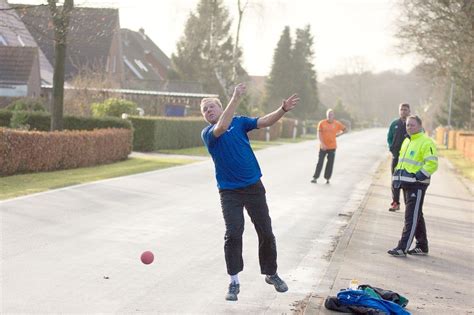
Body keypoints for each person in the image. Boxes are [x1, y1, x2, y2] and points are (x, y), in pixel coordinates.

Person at [200, 83, 300, 301]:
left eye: (211, 107)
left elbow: (264, 121)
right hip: (229, 192)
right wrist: (235, 97)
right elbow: (221, 127)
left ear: (219, 107)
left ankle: (271, 273)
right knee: (234, 233)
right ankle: (234, 281)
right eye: (205, 110)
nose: (208, 111)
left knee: (265, 231)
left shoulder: (240, 122)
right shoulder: (209, 133)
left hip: (254, 186)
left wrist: (282, 110)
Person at [387, 115, 438, 257]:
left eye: (412, 125)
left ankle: (402, 248)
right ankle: (422, 246)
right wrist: (397, 179)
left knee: (411, 216)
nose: (409, 127)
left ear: (420, 126)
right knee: (416, 214)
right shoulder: (406, 141)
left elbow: (432, 163)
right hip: (406, 184)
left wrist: (417, 177)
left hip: (417, 185)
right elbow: (401, 163)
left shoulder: (426, 142)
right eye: (408, 125)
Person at [311, 109, 346, 184]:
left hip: (332, 147)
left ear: (333, 116)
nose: (330, 116)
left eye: (331, 114)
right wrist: (322, 144)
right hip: (323, 147)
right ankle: (315, 177)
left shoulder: (337, 123)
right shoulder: (322, 123)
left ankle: (327, 178)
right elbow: (319, 134)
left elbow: (344, 129)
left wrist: (339, 134)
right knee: (320, 162)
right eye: (329, 114)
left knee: (330, 163)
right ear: (326, 115)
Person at [387, 103, 411, 211]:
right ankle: (395, 203)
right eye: (402, 109)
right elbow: (389, 138)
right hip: (396, 157)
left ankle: (408, 205)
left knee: (407, 181)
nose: (403, 111)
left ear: (409, 111)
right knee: (395, 180)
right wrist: (391, 148)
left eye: (405, 110)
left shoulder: (412, 124)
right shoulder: (394, 124)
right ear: (399, 111)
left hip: (409, 159)